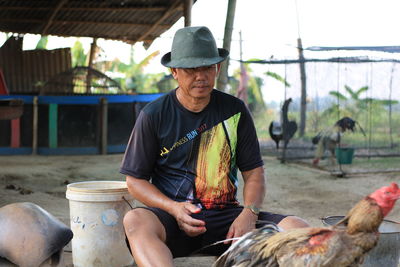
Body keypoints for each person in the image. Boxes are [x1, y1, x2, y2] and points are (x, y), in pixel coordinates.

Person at [120, 26, 309, 267]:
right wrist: (174, 208)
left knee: (299, 229)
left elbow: (254, 174)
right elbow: (135, 181)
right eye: (191, 69)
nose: (201, 76)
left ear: (217, 68)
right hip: (174, 217)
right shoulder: (153, 115)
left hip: (228, 220)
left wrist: (249, 214)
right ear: (174, 72)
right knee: (135, 220)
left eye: (208, 67)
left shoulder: (235, 110)